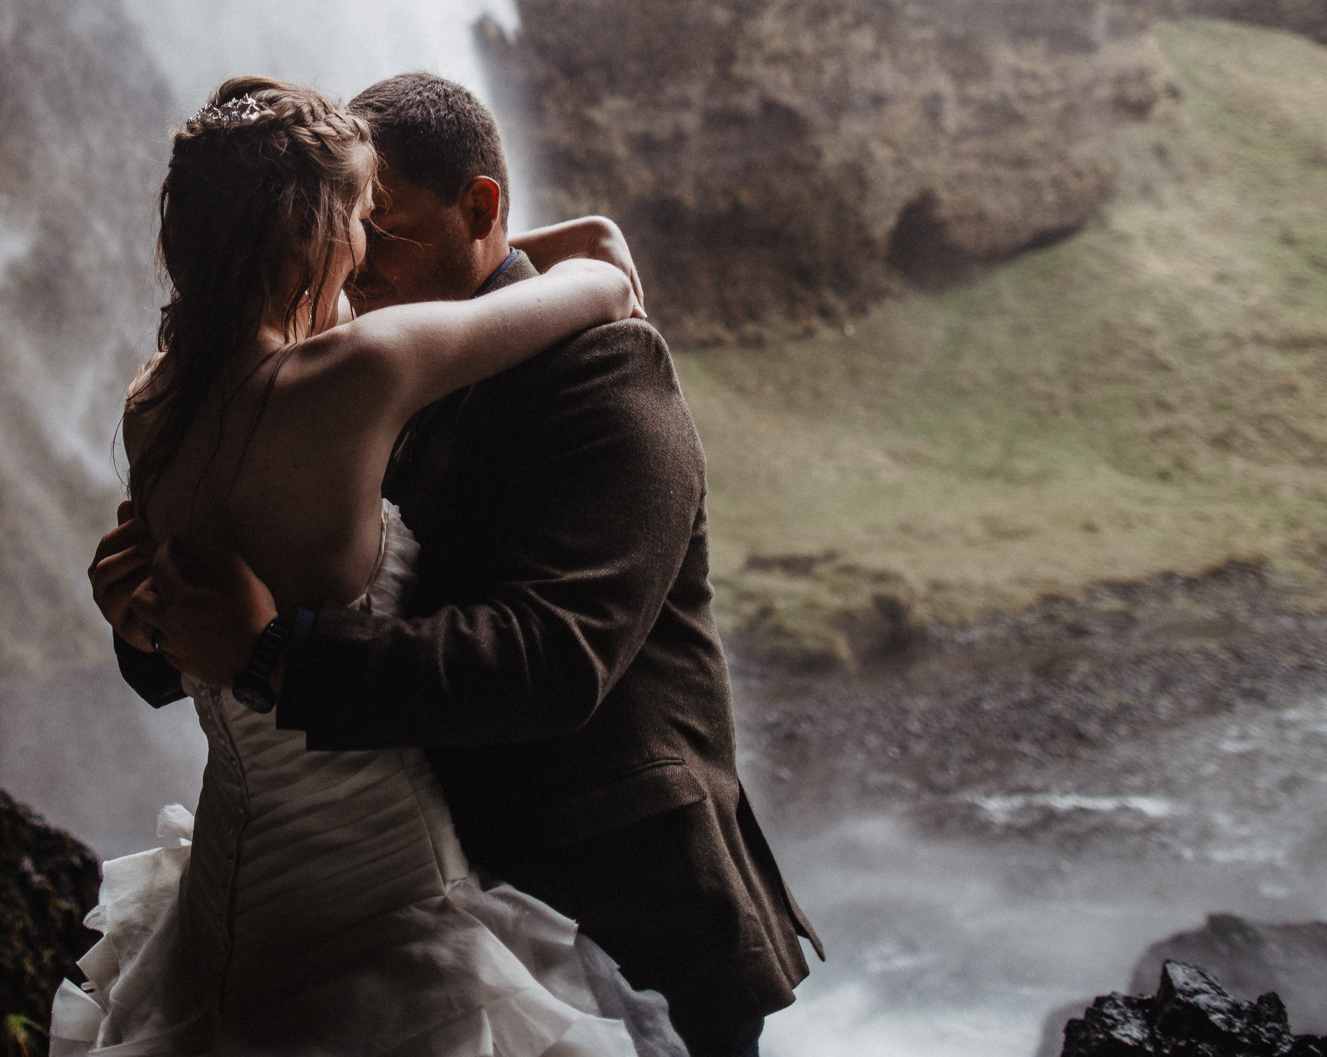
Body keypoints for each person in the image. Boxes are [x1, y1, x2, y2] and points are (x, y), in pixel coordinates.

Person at [86, 73, 821, 1057]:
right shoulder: (337, 365)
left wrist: (270, 658)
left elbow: (553, 656)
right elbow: (243, 592)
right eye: (343, 221)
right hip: (406, 903)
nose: (351, 254)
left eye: (374, 226)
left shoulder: (602, 368)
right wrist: (149, 619)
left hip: (617, 911)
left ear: (478, 208)